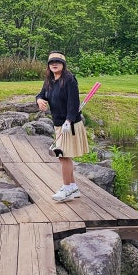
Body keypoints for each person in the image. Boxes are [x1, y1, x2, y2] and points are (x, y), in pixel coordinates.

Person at [35, 51, 88, 202]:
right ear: (48, 65)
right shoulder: (49, 81)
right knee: (64, 156)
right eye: (51, 62)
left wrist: (69, 121)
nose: (54, 64)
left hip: (69, 124)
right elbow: (41, 95)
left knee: (63, 156)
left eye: (57, 62)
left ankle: (67, 188)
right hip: (58, 123)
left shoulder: (70, 80)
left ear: (63, 64)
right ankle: (72, 187)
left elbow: (74, 103)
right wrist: (39, 101)